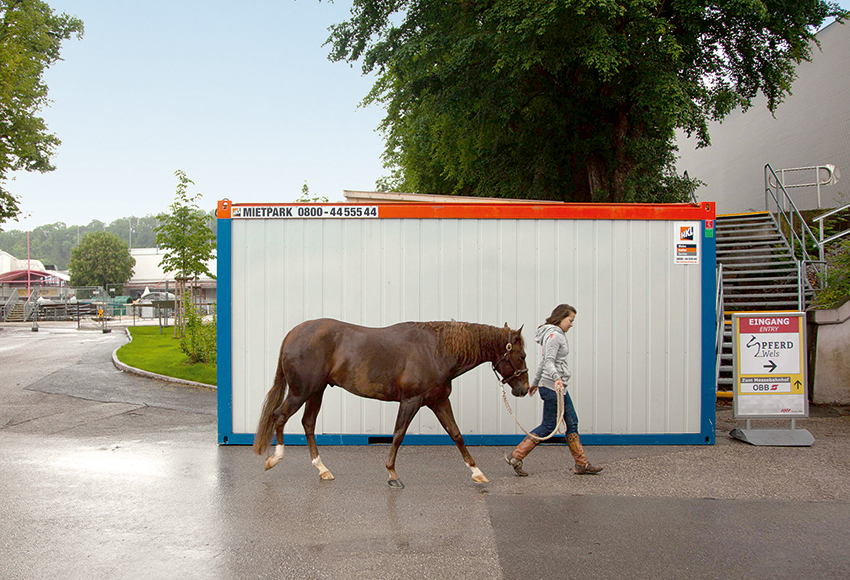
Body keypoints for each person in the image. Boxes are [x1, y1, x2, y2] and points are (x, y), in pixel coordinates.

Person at [504, 303, 602, 476]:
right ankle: (516, 456)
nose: (572, 324)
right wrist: (556, 378)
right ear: (561, 317)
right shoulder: (554, 336)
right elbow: (548, 361)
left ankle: (581, 464)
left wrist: (534, 382)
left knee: (572, 422)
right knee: (549, 426)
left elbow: (544, 362)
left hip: (556, 387)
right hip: (553, 387)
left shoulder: (555, 335)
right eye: (570, 320)